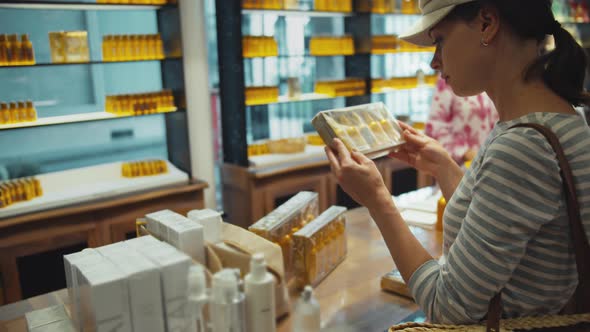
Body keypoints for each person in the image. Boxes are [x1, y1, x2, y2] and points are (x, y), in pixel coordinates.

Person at [324, 0, 590, 324]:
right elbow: (505, 229)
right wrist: (445, 168)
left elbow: (448, 305)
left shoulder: (522, 146)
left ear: (487, 23)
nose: (435, 61)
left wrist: (378, 201)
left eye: (439, 40)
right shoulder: (557, 120)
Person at [426, 76, 498, 165]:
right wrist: (463, 152)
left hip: (491, 166)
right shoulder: (448, 77)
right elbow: (435, 126)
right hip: (458, 168)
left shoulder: (495, 77)